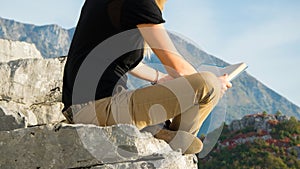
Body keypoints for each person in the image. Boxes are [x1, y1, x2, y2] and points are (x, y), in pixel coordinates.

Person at [62, 0, 232, 154]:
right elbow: (177, 67)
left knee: (197, 88)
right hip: (96, 109)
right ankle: (173, 143)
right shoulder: (140, 3)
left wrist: (161, 78)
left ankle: (166, 135)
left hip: (88, 106)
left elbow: (119, 61)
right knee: (207, 85)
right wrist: (216, 84)